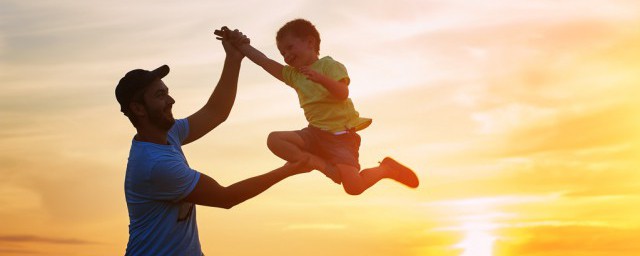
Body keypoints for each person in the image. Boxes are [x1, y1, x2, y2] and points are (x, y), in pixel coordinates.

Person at [115, 27, 313, 256]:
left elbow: (216, 111)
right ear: (138, 108)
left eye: (166, 92)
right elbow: (225, 197)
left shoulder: (168, 135)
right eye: (160, 96)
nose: (171, 100)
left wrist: (233, 58)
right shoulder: (155, 165)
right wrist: (287, 170)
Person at [222, 19, 419, 195]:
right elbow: (264, 62)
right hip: (315, 134)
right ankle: (321, 165)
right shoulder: (294, 75)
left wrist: (321, 79)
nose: (287, 55)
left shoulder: (329, 65)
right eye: (283, 53)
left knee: (354, 187)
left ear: (310, 42)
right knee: (274, 140)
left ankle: (386, 169)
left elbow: (343, 93)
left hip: (341, 137)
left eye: (290, 48)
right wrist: (241, 45)